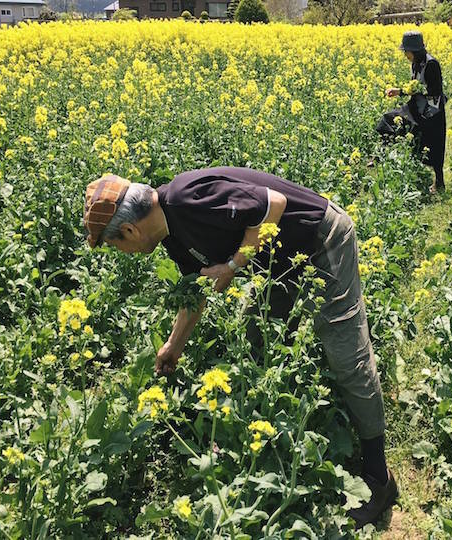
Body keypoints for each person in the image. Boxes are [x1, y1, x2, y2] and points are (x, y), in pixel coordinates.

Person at [82, 167, 398, 528]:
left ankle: (378, 477)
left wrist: (232, 266)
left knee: (346, 354)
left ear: (129, 230)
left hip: (319, 239)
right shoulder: (170, 233)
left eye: (115, 245)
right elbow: (196, 290)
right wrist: (173, 346)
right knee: (254, 338)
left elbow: (273, 205)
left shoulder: (186, 198)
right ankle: (277, 445)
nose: (124, 252)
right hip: (279, 260)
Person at [385, 30, 447, 194]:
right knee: (390, 120)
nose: (405, 54)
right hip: (417, 106)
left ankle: (439, 182)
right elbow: (415, 85)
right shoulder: (416, 63)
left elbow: (434, 90)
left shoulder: (431, 64)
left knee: (434, 144)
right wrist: (400, 91)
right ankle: (386, 157)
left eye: (406, 51)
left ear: (414, 51)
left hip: (432, 111)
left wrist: (411, 90)